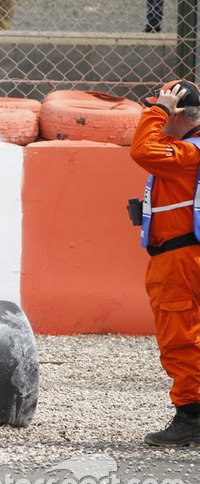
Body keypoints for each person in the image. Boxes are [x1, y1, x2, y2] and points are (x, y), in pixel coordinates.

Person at [130, 79, 200, 447]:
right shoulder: (188, 149)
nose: (155, 113)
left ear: (179, 115)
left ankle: (192, 417)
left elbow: (142, 150)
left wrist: (158, 110)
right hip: (186, 252)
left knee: (180, 338)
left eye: (163, 110)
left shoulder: (188, 154)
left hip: (179, 258)